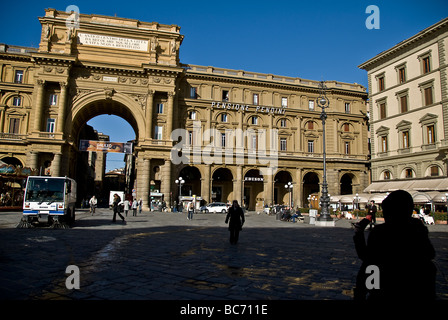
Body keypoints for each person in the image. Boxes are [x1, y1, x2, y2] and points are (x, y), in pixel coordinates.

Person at [352, 190, 436, 301]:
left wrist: (359, 234)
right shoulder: (417, 230)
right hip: (416, 292)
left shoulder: (381, 232)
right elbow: (430, 255)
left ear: (391, 211)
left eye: (386, 210)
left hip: (385, 292)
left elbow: (369, 261)